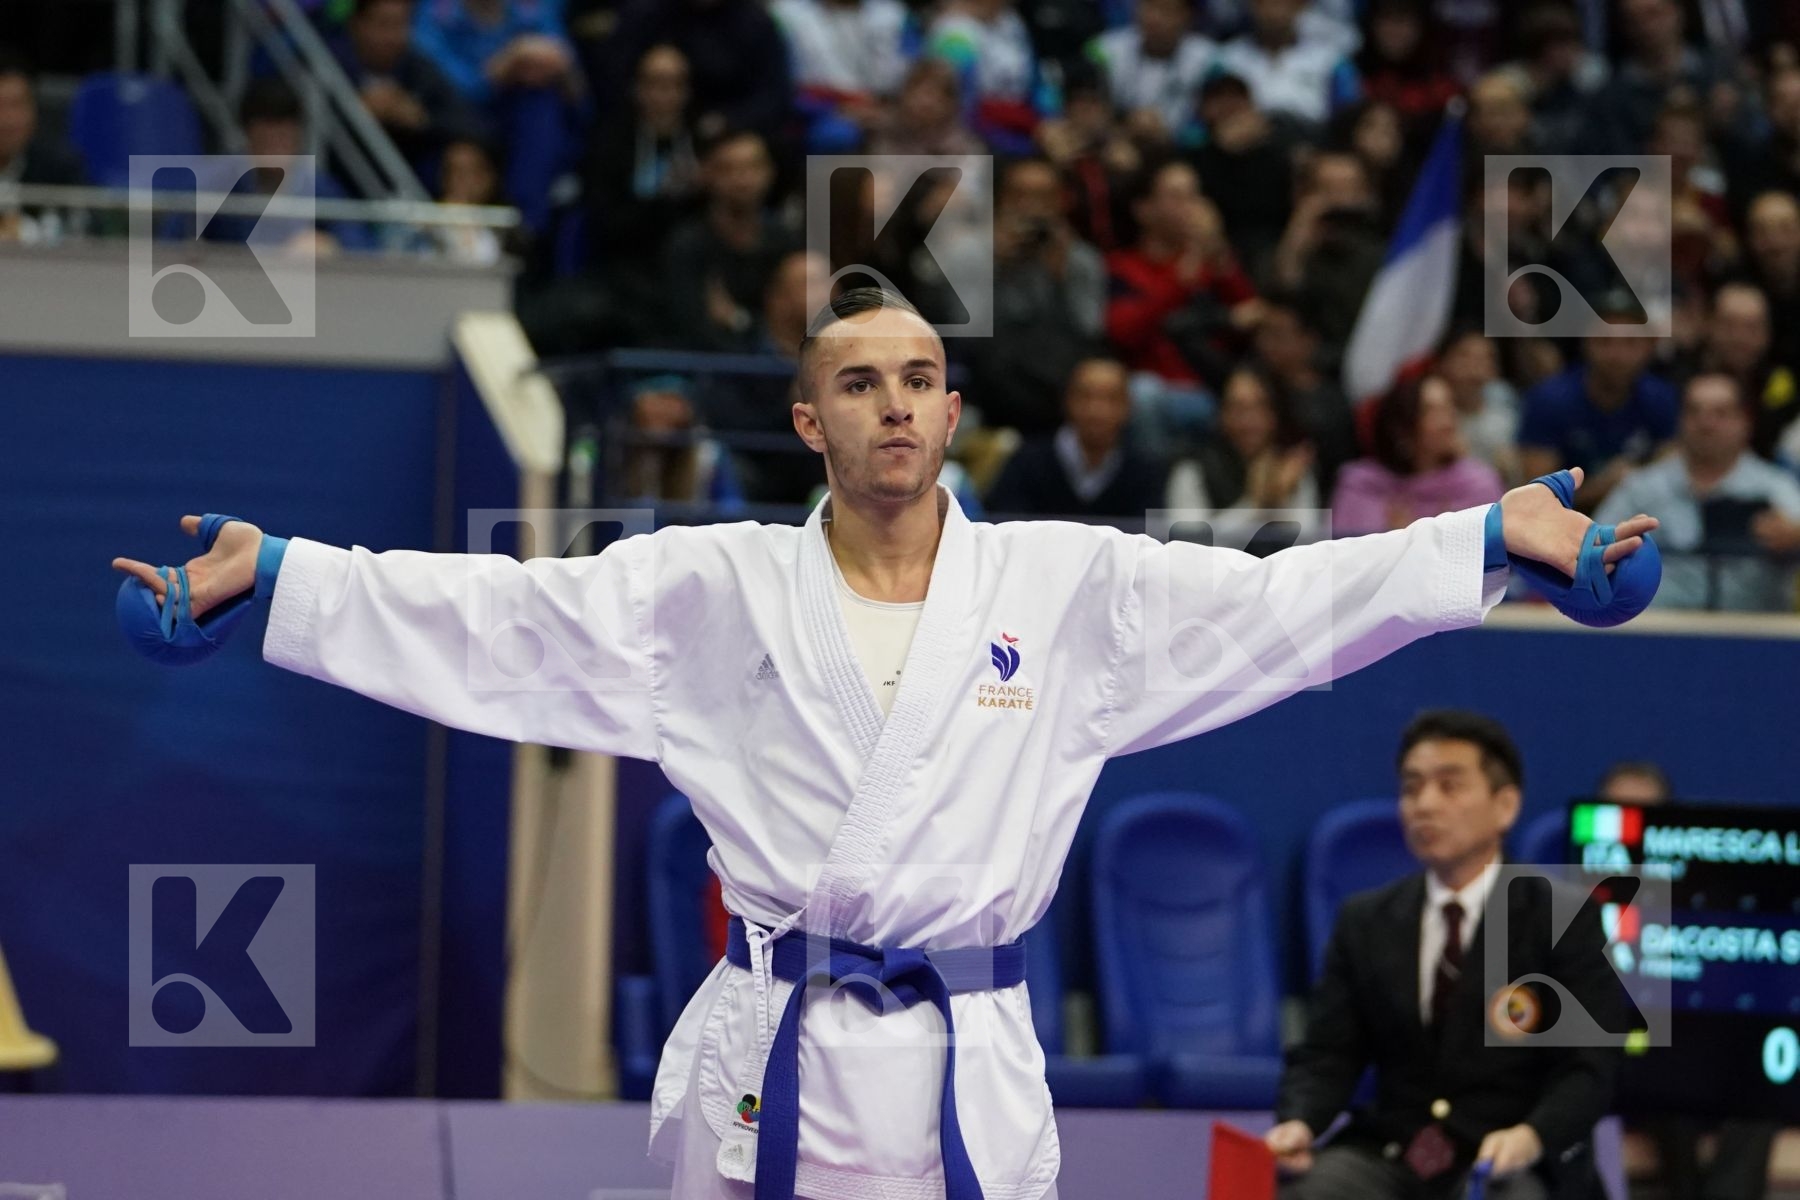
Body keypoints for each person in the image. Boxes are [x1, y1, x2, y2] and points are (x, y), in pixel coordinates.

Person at [112, 288, 1656, 1200]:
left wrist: (1484, 549)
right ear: (809, 424)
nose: (896, 405)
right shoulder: (708, 585)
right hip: (768, 1052)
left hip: (964, 1064)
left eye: (921, 380)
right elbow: (504, 621)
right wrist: (290, 579)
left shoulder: (1065, 588)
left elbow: (1282, 601)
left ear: (954, 409)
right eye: (860, 383)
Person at [1267, 710, 1625, 1200]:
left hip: (1510, 1158)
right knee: (1314, 1190)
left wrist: (1532, 1136)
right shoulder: (1366, 919)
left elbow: (1588, 1068)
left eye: (1449, 786)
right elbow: (1329, 1054)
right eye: (1412, 788)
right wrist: (1301, 1122)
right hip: (1397, 1152)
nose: (1424, 804)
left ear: (1505, 806)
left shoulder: (1561, 917)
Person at [1594, 372, 1800, 613]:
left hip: (1753, 632)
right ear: (1680, 421)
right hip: (1656, 630)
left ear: (1745, 422)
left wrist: (1794, 538)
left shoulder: (1776, 487)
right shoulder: (1642, 488)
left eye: (1720, 413)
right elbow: (1591, 550)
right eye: (1694, 412)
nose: (1706, 424)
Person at [949, 156, 1107, 439]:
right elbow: (966, 333)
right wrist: (996, 267)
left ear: (1061, 202)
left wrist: (1061, 278)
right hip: (990, 387)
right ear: (1001, 200)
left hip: (1057, 387)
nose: (1032, 207)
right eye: (1021, 195)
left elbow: (1090, 331)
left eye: (1043, 197)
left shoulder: (1080, 259)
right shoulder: (971, 251)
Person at [1517, 303, 1679, 511]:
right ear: (1586, 344)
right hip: (1563, 523)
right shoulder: (1549, 399)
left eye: (1630, 343)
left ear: (1649, 347)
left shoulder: (1661, 398)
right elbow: (1536, 499)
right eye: (1604, 342)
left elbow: (1673, 478)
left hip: (1644, 518)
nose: (1616, 355)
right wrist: (1605, 486)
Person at [659, 128, 801, 353]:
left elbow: (797, 323)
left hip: (782, 365)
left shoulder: (786, 240)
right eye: (729, 169)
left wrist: (739, 319)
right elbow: (691, 325)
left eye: (753, 167)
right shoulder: (688, 244)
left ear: (770, 172)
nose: (743, 180)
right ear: (707, 174)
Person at [984, 356, 1169, 517]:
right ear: (1067, 400)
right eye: (1086, 396)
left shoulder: (1145, 473)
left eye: (1111, 398)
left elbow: (1149, 544)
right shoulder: (1026, 462)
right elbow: (1004, 529)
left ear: (1128, 407)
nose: (1096, 410)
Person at [1332, 374, 1505, 536]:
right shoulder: (1362, 485)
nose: (1448, 421)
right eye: (1431, 411)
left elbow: (1495, 558)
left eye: (1449, 406)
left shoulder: (1478, 484)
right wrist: (1392, 542)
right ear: (1401, 429)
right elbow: (1342, 556)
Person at [1165, 364, 1320, 539]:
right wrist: (1257, 505)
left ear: (1275, 414)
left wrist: (1281, 500)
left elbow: (1308, 546)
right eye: (1238, 408)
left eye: (1260, 406)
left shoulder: (1291, 466)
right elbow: (1189, 547)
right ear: (1221, 414)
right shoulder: (1192, 468)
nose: (1249, 420)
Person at [332, 0, 482, 177]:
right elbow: (300, 125)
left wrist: (420, 118)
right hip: (336, 180)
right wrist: (355, 111)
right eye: (383, 24)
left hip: (409, 180)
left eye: (400, 25)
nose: (391, 36)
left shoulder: (418, 70)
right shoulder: (328, 63)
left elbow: (472, 125)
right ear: (356, 24)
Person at [1084, 0, 1215, 142]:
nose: (1154, 18)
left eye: (1166, 10)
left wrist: (1177, 135)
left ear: (1188, 17)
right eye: (1148, 7)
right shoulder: (1103, 51)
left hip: (1180, 150)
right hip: (1115, 143)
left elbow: (1215, 122)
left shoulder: (1209, 60)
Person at [411, 0, 577, 108]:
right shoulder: (434, 14)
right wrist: (501, 67)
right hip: (460, 124)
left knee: (540, 99)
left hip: (526, 113)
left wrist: (530, 60)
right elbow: (439, 93)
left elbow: (562, 57)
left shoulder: (532, 8)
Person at [0, 47, 85, 244]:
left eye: (16, 105)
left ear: (34, 112)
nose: (6, 120)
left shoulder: (61, 171)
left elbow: (85, 232)